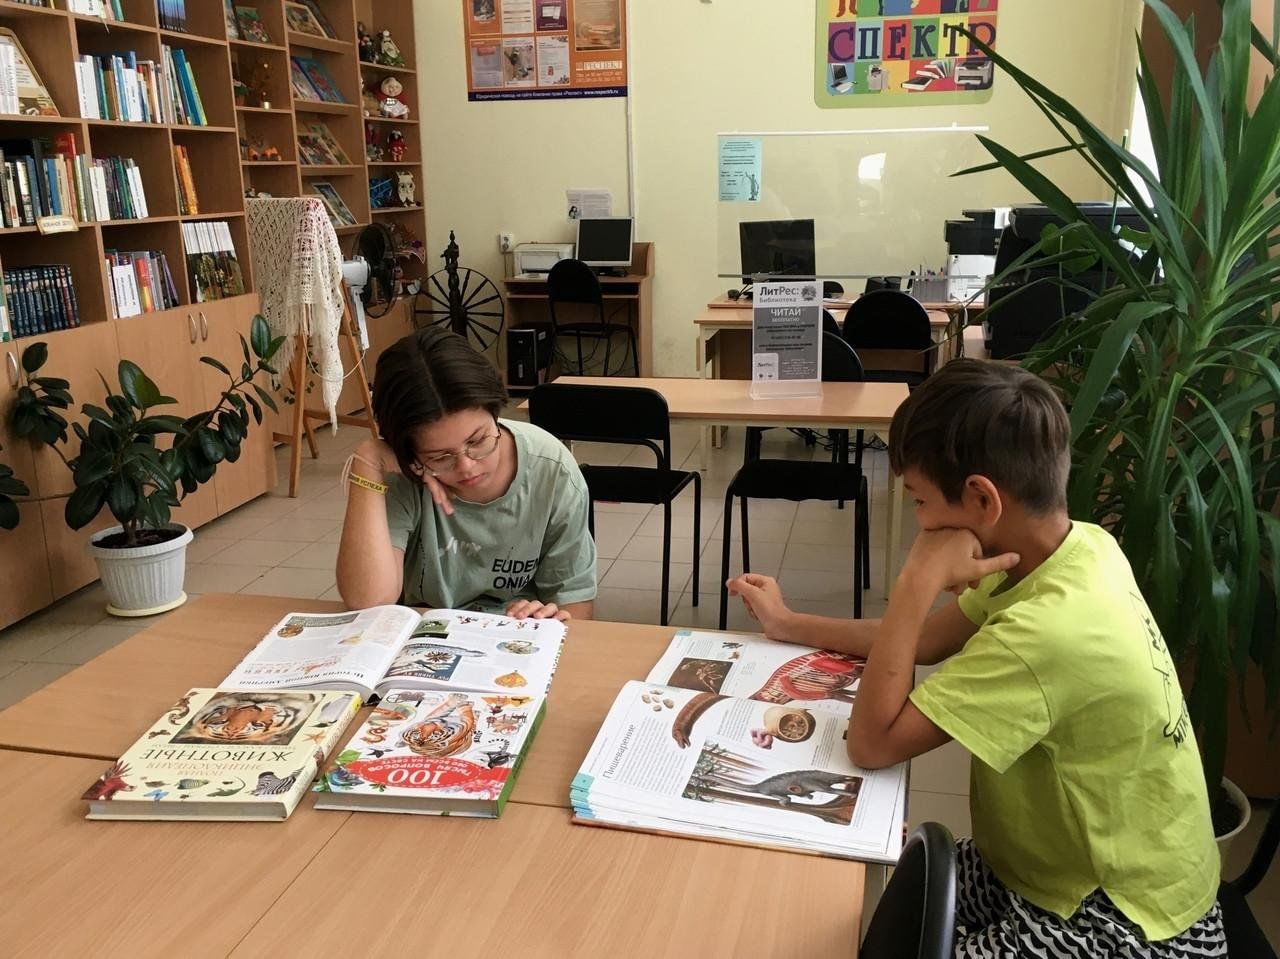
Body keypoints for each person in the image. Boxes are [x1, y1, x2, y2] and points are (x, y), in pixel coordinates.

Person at [727, 360, 1224, 957]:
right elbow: (926, 641)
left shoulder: (1043, 634)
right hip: (1052, 866)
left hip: (1122, 919)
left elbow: (873, 743)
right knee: (857, 910)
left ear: (982, 499)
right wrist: (788, 624)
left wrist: (915, 580)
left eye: (919, 501)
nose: (919, 522)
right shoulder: (1078, 546)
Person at [337, 327, 596, 622]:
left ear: (495, 412)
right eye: (440, 457)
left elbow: (576, 605)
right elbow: (368, 601)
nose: (466, 467)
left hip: (515, 635)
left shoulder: (550, 468)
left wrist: (553, 621)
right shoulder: (401, 473)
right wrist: (367, 462)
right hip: (425, 635)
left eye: (478, 440)